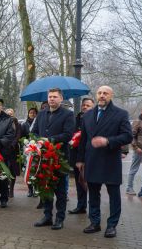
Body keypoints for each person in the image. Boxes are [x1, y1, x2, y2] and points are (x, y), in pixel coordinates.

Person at [77, 86, 132, 238]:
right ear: (96, 95)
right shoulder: (87, 116)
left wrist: (107, 141)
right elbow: (83, 140)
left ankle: (112, 225)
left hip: (110, 161)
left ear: (111, 96)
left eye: (105, 93)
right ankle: (95, 222)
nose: (102, 96)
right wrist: (80, 160)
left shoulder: (121, 114)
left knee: (114, 194)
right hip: (92, 160)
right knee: (93, 194)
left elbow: (127, 137)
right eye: (100, 93)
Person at [31, 88, 75, 230]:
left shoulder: (68, 114)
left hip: (59, 158)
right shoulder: (42, 113)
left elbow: (68, 134)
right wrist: (37, 141)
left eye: (55, 97)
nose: (52, 99)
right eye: (50, 97)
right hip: (43, 157)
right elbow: (34, 131)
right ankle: (47, 216)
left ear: (61, 99)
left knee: (60, 191)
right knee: (45, 188)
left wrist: (50, 139)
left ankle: (60, 219)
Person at [68, 97, 95, 214]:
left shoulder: (96, 118)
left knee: (92, 184)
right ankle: (81, 205)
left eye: (88, 105)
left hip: (91, 156)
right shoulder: (76, 119)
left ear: (93, 107)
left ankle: (93, 207)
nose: (85, 107)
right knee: (80, 182)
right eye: (84, 105)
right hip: (77, 155)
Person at [4, 106, 22, 199]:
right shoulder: (3, 123)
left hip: (14, 150)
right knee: (4, 169)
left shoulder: (17, 124)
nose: (10, 115)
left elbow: (18, 135)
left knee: (13, 170)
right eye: (8, 114)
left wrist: (13, 144)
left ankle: (11, 189)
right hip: (4, 150)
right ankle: (6, 188)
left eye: (11, 114)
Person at [21, 107, 38, 197]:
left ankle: (36, 189)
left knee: (36, 169)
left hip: (36, 148)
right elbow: (21, 136)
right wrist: (25, 141)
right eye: (30, 113)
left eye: (34, 113)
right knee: (28, 169)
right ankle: (30, 189)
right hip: (27, 149)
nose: (32, 114)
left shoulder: (38, 123)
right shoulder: (24, 124)